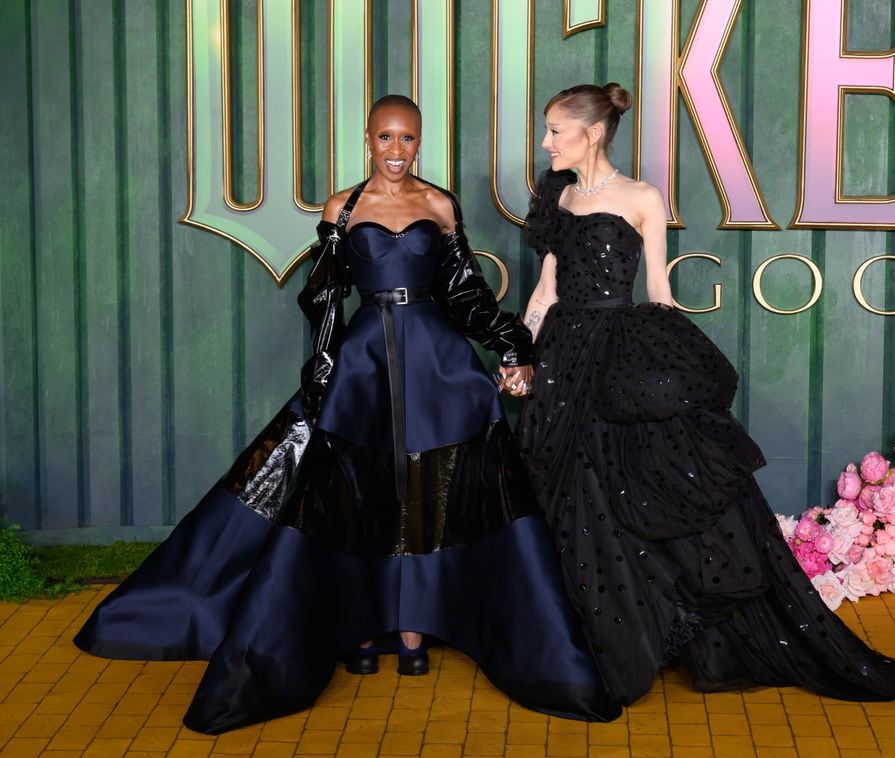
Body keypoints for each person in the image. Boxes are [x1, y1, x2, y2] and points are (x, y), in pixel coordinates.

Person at [75, 94, 620, 733]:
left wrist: (511, 341)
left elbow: (465, 294)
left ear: (421, 142)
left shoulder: (440, 204)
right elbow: (327, 296)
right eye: (386, 138)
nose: (396, 151)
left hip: (436, 361)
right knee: (355, 490)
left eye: (408, 139)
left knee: (431, 485)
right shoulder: (343, 207)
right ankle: (361, 624)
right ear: (368, 139)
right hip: (363, 362)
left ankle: (415, 630)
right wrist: (323, 369)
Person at [517, 82, 895, 707]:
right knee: (576, 496)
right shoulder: (558, 196)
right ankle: (598, 639)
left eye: (556, 130)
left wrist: (672, 368)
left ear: (591, 133)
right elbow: (545, 291)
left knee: (641, 486)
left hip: (618, 357)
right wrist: (523, 357)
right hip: (564, 359)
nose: (545, 142)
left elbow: (661, 291)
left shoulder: (641, 196)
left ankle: (649, 635)